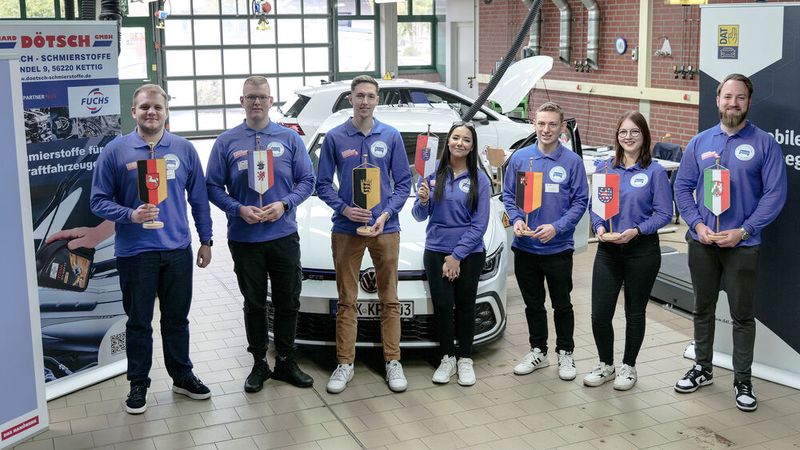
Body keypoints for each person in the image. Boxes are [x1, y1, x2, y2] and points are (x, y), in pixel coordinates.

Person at [90, 84, 213, 414]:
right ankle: (138, 384)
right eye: (144, 107)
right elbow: (98, 201)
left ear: (166, 111)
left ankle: (182, 376)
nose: (151, 112)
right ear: (134, 112)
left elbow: (199, 199)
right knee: (138, 323)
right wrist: (130, 214)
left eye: (157, 107)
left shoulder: (184, 149)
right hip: (135, 253)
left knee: (177, 320)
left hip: (177, 250)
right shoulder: (115, 151)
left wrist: (206, 240)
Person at [673, 73, 787, 412]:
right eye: (727, 97)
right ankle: (702, 368)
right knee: (702, 308)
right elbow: (682, 187)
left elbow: (775, 194)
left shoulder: (765, 144)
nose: (733, 103)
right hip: (703, 243)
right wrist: (697, 224)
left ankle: (743, 380)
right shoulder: (700, 142)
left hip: (743, 246)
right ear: (717, 100)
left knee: (742, 315)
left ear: (748, 102)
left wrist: (745, 231)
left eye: (740, 97)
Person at [206, 76, 315, 393]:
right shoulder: (226, 142)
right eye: (251, 97)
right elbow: (212, 186)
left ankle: (286, 361)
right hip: (245, 239)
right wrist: (237, 208)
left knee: (287, 302)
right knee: (254, 304)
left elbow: (307, 180)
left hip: (283, 236)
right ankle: (258, 363)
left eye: (262, 97)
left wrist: (285, 204)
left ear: (271, 101)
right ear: (242, 101)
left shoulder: (289, 139)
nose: (257, 102)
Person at [315, 75, 412, 394]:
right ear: (351, 99)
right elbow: (322, 184)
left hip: (386, 229)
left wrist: (386, 214)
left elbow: (403, 183)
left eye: (370, 96)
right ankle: (345, 363)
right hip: (347, 229)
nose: (365, 101)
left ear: (377, 100)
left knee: (390, 298)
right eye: (360, 96)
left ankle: (392, 360)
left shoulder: (391, 135)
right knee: (347, 300)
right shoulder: (335, 137)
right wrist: (344, 209)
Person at [583, 111, 672, 390]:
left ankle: (628, 367)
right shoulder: (605, 169)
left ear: (644, 135)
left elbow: (664, 214)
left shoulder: (655, 172)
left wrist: (637, 230)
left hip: (641, 250)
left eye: (635, 131)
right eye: (623, 132)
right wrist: (599, 227)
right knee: (600, 313)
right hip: (608, 250)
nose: (628, 137)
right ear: (617, 136)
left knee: (634, 312)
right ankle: (605, 365)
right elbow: (595, 207)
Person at [503, 102, 589, 381]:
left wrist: (557, 227)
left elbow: (580, 202)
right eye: (541, 124)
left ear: (562, 127)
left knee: (562, 304)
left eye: (552, 124)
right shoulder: (521, 158)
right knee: (533, 305)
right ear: (534, 125)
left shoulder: (572, 162)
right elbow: (509, 195)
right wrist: (517, 219)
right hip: (525, 248)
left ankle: (565, 352)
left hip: (557, 248)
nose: (546, 129)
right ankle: (538, 351)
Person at [412, 122, 490, 386]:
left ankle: (465, 358)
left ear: (472, 146)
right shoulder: (432, 173)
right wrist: (423, 201)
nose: (460, 143)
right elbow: (419, 215)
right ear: (448, 141)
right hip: (436, 249)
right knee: (443, 307)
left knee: (466, 306)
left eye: (466, 140)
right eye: (456, 138)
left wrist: (456, 256)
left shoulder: (480, 179)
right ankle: (447, 358)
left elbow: (479, 225)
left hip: (469, 253)